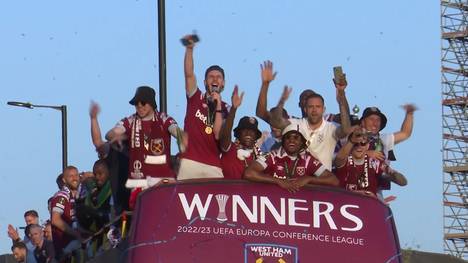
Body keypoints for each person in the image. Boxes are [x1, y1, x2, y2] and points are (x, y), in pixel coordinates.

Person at [270, 78, 352, 171]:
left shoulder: (331, 127)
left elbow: (346, 129)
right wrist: (282, 101)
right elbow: (276, 122)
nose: (314, 110)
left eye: (318, 107)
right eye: (310, 107)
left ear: (323, 109)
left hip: (322, 181)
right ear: (305, 109)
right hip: (298, 179)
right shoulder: (295, 124)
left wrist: (341, 94)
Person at [178, 34, 230, 180]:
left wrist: (218, 105)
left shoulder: (227, 108)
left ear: (223, 83)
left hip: (213, 165)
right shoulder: (195, 96)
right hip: (189, 161)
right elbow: (189, 75)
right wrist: (189, 49)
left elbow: (218, 134)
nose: (214, 79)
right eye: (211, 77)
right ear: (205, 82)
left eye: (218, 77)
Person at [106, 86, 184, 180]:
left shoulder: (163, 119)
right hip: (139, 180)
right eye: (136, 103)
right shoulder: (130, 121)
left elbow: (176, 131)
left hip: (162, 179)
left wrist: (184, 138)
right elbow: (110, 134)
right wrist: (118, 136)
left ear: (151, 103)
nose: (139, 106)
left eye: (143, 103)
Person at [244, 124, 339, 192]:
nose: (291, 141)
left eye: (296, 138)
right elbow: (249, 174)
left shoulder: (308, 160)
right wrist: (278, 181)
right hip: (273, 205)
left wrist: (309, 179)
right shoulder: (272, 156)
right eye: (288, 137)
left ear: (302, 142)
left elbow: (333, 180)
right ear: (283, 141)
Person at [334, 128, 407, 197]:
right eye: (355, 144)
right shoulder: (345, 159)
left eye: (363, 144)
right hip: (346, 202)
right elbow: (339, 159)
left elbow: (403, 182)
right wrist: (351, 141)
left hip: (368, 205)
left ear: (367, 146)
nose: (359, 146)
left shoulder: (375, 163)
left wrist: (394, 175)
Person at [89, 101, 130, 215]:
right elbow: (98, 143)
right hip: (121, 199)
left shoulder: (145, 148)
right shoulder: (117, 150)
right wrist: (93, 118)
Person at [219, 87, 262, 179]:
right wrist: (233, 109)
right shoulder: (230, 149)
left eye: (252, 131)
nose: (249, 134)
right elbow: (226, 133)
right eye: (245, 130)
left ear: (256, 137)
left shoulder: (260, 158)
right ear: (238, 134)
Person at [50, 166, 84, 262]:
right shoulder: (62, 196)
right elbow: (55, 220)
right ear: (64, 180)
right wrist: (76, 234)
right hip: (65, 250)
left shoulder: (78, 195)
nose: (75, 178)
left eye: (76, 175)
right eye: (71, 176)